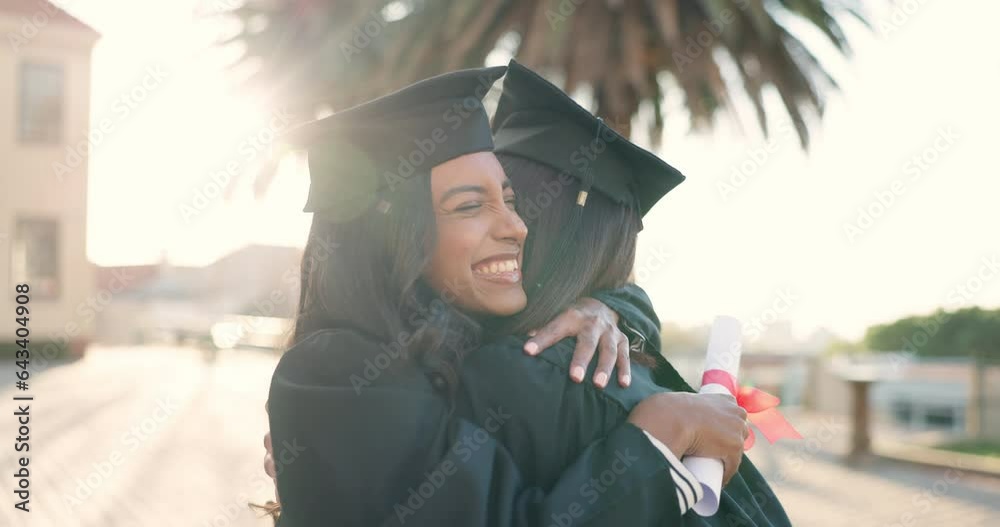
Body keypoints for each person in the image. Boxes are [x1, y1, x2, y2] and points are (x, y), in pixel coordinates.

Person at [265, 65, 749, 526]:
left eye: (512, 200)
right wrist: (659, 441)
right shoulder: (338, 371)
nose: (517, 227)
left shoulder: (454, 345)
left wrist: (606, 307)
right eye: (471, 205)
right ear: (392, 234)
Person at [453, 59, 793, 526]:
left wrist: (608, 308)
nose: (499, 223)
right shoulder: (612, 359)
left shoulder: (507, 368)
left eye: (508, 201)